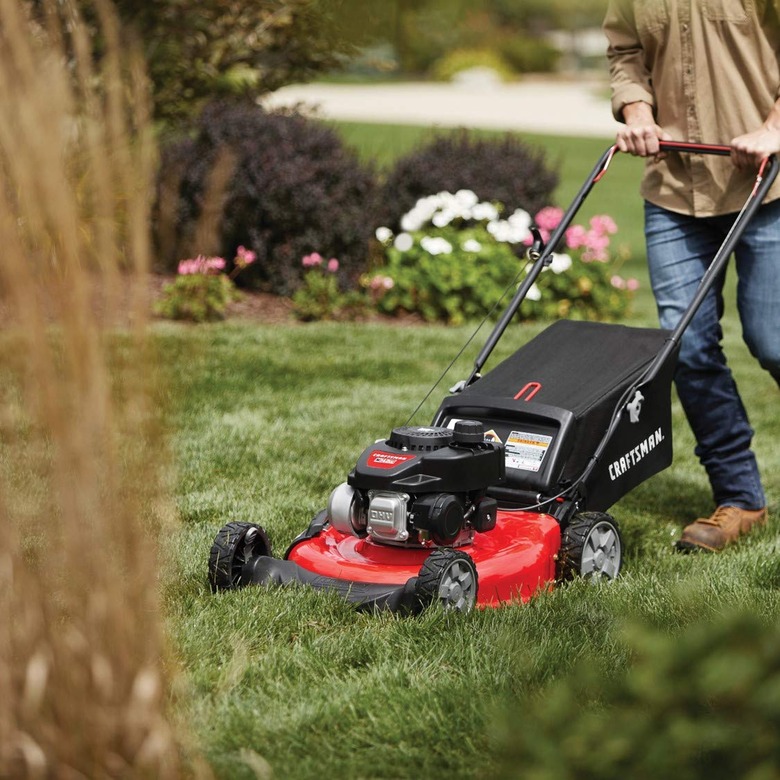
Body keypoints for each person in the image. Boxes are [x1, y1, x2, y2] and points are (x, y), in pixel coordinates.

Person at [603, 0, 780, 551]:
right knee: (687, 347)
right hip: (674, 187)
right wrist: (637, 111)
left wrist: (776, 127)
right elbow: (625, 51)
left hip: (767, 184)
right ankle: (741, 498)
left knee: (774, 341)